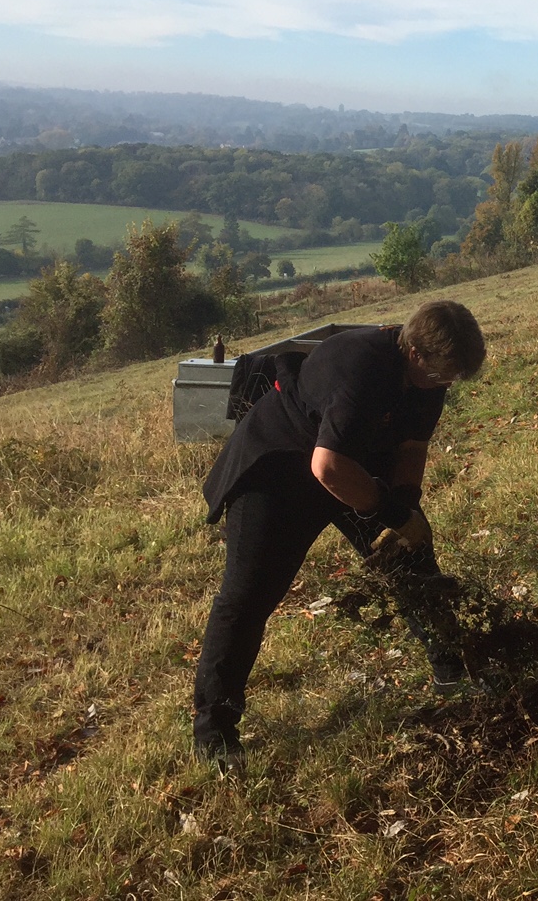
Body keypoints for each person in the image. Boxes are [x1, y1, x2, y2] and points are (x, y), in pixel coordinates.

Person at [192, 300, 486, 771]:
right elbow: (326, 467)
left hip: (348, 463)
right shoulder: (361, 368)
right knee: (247, 596)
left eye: (453, 378)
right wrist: (389, 509)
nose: (446, 385)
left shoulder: (430, 378)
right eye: (443, 376)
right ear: (414, 352)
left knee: (411, 556)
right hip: (279, 469)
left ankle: (453, 669)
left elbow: (412, 448)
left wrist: (406, 508)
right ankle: (214, 728)